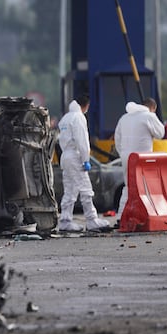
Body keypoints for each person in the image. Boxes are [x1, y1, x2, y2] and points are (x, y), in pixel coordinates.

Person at [56, 95, 111, 232]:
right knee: (85, 188)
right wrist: (86, 159)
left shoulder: (65, 118)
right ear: (86, 106)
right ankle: (92, 220)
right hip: (75, 156)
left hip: (65, 155)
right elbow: (82, 141)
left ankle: (65, 221)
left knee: (70, 190)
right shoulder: (79, 117)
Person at [114, 97, 165, 218]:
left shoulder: (124, 118)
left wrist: (123, 153)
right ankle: (145, 216)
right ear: (153, 108)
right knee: (145, 186)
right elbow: (160, 133)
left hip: (126, 157)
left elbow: (117, 139)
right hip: (142, 158)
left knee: (128, 186)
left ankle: (121, 216)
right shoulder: (149, 116)